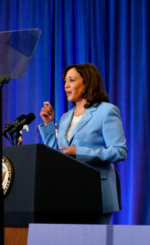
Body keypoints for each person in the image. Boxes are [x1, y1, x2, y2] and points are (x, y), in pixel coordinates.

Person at [39, 63, 127, 223]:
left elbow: (119, 151)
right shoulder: (66, 117)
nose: (66, 86)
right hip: (69, 195)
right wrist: (48, 125)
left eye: (71, 80)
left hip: (97, 194)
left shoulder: (106, 111)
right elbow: (59, 154)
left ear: (87, 82)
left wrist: (79, 152)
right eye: (65, 81)